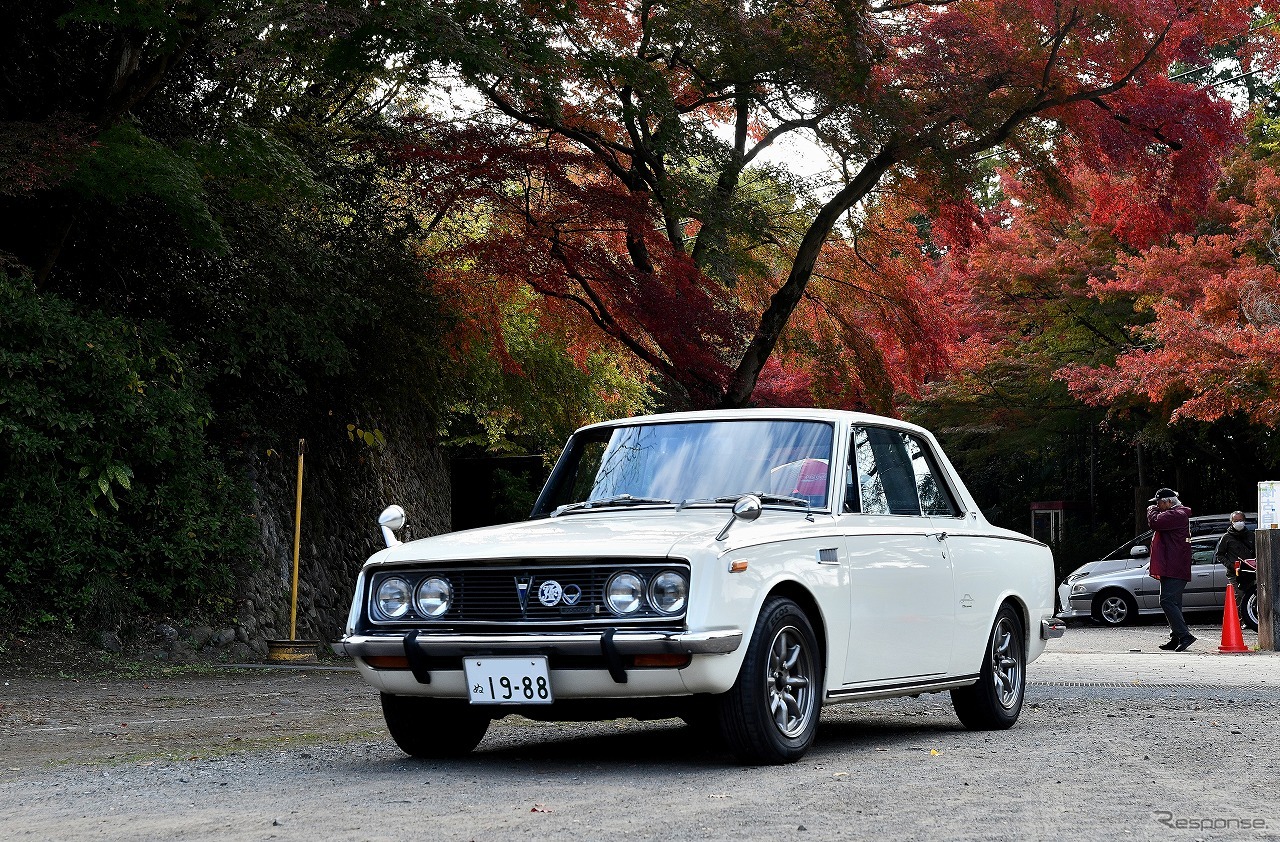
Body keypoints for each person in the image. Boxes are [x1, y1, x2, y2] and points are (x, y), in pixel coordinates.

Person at [1146, 487, 1195, 651]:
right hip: (1172, 565)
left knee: (1166, 600)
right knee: (1173, 602)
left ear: (1168, 502)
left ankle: (1185, 636)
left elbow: (1155, 522)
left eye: (1159, 503)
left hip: (1175, 565)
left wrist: (1150, 509)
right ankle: (1176, 637)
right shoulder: (1176, 514)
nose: (1157, 506)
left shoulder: (1177, 514)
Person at [1214, 510, 1255, 623]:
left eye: (1241, 520)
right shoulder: (1226, 538)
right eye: (1236, 521)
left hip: (1251, 571)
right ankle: (1240, 620)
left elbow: (1257, 553)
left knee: (1252, 594)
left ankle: (1250, 618)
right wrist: (1231, 565)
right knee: (1240, 594)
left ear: (1245, 521)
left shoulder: (1252, 536)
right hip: (1235, 573)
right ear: (1231, 522)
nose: (1239, 523)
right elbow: (1220, 555)